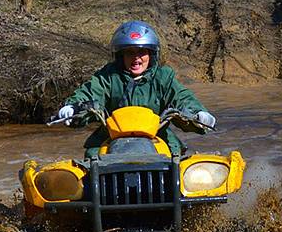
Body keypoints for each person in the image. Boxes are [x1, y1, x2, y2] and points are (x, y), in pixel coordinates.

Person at [57, 20, 216, 158]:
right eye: (130, 53)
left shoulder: (164, 77)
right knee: (88, 168)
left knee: (182, 167)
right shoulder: (107, 76)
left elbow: (183, 98)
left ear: (151, 55)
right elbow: (90, 92)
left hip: (157, 137)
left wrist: (198, 114)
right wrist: (73, 108)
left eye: (142, 52)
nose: (136, 58)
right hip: (111, 139)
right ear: (121, 56)